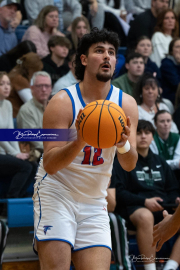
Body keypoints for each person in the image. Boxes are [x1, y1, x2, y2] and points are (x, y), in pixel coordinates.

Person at [33, 28, 138, 270]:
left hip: (94, 201)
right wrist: (80, 139)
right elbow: (49, 163)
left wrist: (123, 144)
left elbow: (130, 164)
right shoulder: (61, 102)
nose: (107, 57)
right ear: (83, 59)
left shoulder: (126, 104)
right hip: (57, 194)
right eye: (99, 51)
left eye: (111, 52)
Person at [112, 119, 180, 270]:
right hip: (134, 208)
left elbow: (173, 188)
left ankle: (171, 266)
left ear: (152, 136)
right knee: (145, 216)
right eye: (139, 133)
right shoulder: (122, 160)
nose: (143, 136)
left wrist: (174, 199)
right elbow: (119, 193)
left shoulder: (161, 162)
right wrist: (145, 201)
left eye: (147, 133)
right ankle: (150, 268)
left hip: (162, 207)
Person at [0, 72, 37, 198]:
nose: (6, 87)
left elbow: (11, 133)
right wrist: (15, 154)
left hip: (4, 153)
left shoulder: (8, 104)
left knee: (32, 164)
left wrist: (19, 154)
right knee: (25, 167)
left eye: (8, 84)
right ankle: (9, 203)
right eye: (2, 84)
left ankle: (19, 200)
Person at [16, 71, 52, 156]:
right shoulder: (26, 110)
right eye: (40, 86)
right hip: (36, 154)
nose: (44, 89)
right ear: (32, 88)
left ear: (51, 88)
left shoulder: (55, 108)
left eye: (47, 86)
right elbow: (35, 141)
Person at [7, 52, 43, 117]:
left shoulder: (15, 72)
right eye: (36, 71)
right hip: (15, 117)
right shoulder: (19, 79)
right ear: (31, 69)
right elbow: (31, 103)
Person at [160, 37, 180, 104]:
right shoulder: (166, 63)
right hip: (170, 99)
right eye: (177, 47)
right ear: (171, 50)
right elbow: (176, 83)